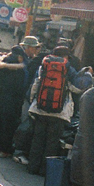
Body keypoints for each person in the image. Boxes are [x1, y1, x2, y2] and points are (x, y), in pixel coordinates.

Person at [25, 44, 76, 175]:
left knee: (38, 139)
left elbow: (36, 83)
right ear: (65, 56)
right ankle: (44, 170)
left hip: (41, 109)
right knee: (52, 143)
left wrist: (33, 101)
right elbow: (77, 88)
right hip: (59, 112)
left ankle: (32, 167)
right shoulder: (68, 69)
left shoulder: (44, 65)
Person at [0, 44, 27, 157]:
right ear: (19, 57)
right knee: (7, 126)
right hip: (11, 101)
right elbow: (20, 88)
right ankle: (4, 150)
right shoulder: (20, 70)